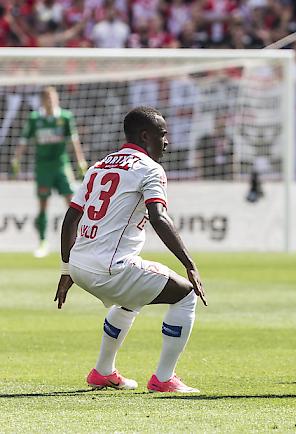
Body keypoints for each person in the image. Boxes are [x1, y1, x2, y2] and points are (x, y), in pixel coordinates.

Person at [54, 106, 208, 393]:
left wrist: (66, 269)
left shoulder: (99, 165)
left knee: (132, 298)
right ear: (145, 135)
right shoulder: (150, 169)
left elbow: (71, 217)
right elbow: (159, 218)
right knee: (185, 294)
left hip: (80, 265)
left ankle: (103, 372)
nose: (166, 141)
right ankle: (164, 379)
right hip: (111, 268)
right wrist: (190, 265)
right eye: (162, 135)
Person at [12, 86, 88, 258]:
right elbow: (24, 141)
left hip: (61, 165)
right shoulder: (34, 119)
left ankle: (80, 240)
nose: (50, 102)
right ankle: (42, 241)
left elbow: (73, 142)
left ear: (57, 100)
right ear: (42, 101)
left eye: (53, 99)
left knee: (73, 202)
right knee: (43, 205)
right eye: (47, 99)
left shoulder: (65, 117)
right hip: (43, 168)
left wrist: (81, 162)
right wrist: (16, 159)